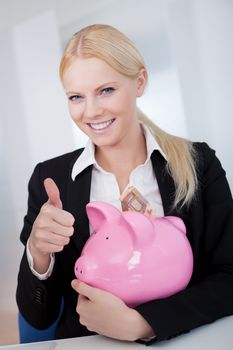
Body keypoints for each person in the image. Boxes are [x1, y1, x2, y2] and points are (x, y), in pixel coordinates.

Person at [16, 24, 233, 344]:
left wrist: (146, 324)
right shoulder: (50, 179)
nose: (91, 111)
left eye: (106, 90)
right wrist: (37, 254)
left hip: (183, 340)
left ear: (139, 82)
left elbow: (229, 277)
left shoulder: (199, 164)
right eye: (76, 96)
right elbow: (38, 316)